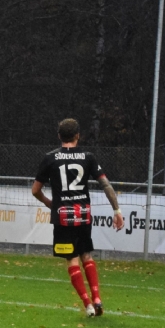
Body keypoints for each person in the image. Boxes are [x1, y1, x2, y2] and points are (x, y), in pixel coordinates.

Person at [31, 118, 124, 316]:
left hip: (63, 217)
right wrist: (116, 210)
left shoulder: (50, 158)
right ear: (77, 136)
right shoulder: (88, 157)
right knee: (86, 255)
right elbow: (106, 185)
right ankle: (97, 297)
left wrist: (49, 203)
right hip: (83, 215)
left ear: (59, 136)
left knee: (71, 259)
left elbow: (35, 190)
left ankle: (88, 305)